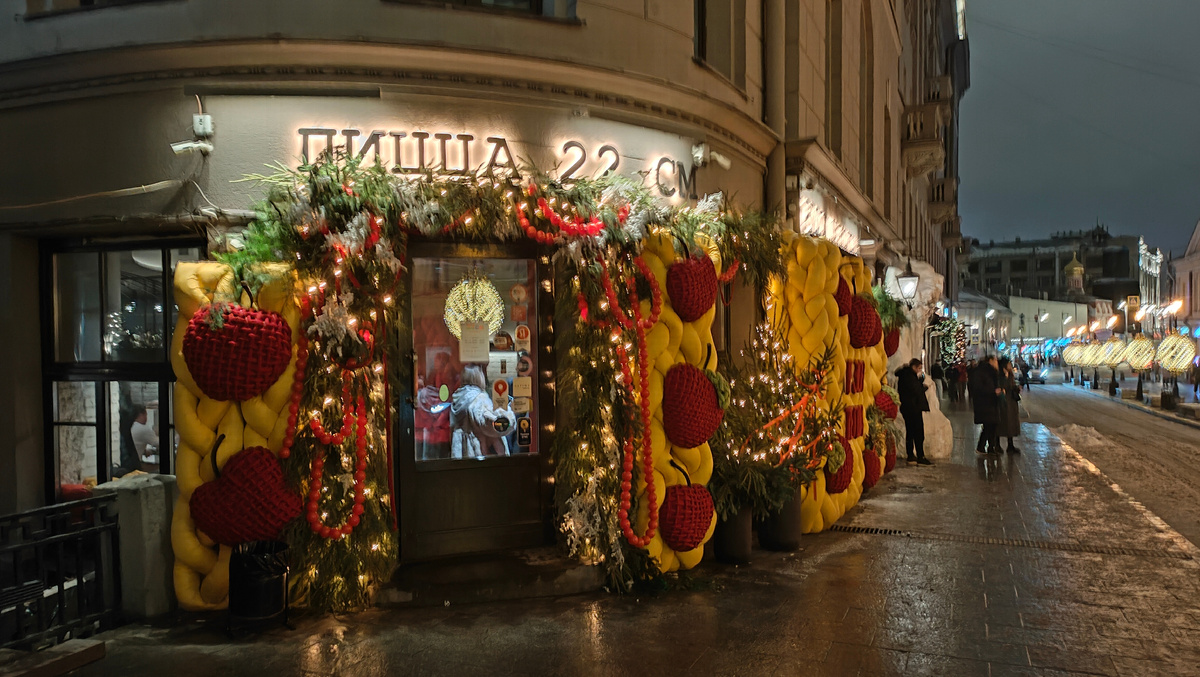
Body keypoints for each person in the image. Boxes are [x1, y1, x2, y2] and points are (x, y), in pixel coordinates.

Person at [451, 365, 517, 458]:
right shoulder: (478, 399)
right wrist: (507, 412)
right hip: (480, 455)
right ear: (479, 378)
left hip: (464, 452)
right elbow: (490, 424)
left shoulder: (458, 397)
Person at [895, 358, 932, 466]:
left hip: (909, 408)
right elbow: (914, 390)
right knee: (917, 432)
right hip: (912, 408)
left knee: (911, 432)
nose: (920, 370)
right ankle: (920, 456)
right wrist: (923, 387)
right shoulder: (908, 376)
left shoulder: (906, 375)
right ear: (914, 367)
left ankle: (911, 456)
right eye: (919, 368)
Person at [969, 355, 1003, 454]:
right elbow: (977, 388)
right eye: (995, 360)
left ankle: (990, 447)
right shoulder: (981, 371)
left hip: (991, 402)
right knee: (989, 425)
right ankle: (982, 447)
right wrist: (993, 391)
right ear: (990, 361)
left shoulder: (991, 372)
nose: (997, 363)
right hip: (984, 403)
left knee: (992, 425)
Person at [996, 358, 1022, 453]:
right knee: (1001, 423)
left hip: (1011, 402)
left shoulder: (1010, 374)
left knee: (1010, 424)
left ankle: (1010, 445)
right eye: (1009, 364)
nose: (1010, 366)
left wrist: (1017, 388)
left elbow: (1011, 387)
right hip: (1003, 403)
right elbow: (1002, 387)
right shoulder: (1000, 375)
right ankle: (997, 445)